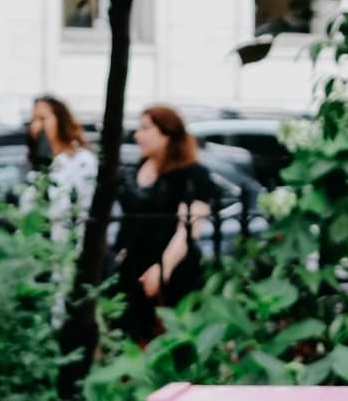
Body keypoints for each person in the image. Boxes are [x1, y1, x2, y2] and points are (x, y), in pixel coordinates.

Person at [112, 104, 219, 345]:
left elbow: (188, 231)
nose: (138, 135)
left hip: (172, 269)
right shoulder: (138, 168)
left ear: (167, 133)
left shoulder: (193, 174)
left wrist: (163, 269)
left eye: (145, 128)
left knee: (168, 337)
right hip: (132, 268)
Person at [26, 94, 99, 238]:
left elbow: (84, 211)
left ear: (61, 120)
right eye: (33, 120)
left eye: (42, 119)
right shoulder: (37, 165)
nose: (36, 126)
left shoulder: (82, 161)